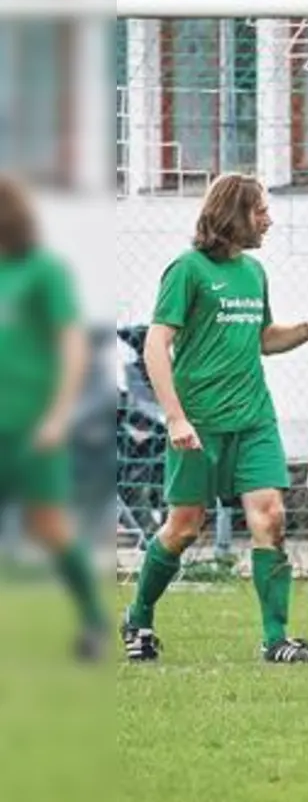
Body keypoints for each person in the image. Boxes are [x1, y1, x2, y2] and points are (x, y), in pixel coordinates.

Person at [124, 174, 308, 663]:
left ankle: (276, 639)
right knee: (183, 527)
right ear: (233, 214)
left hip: (254, 420)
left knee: (271, 517)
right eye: (260, 209)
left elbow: (263, 338)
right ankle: (137, 617)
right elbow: (157, 345)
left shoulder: (254, 272)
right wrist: (176, 418)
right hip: (199, 425)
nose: (269, 218)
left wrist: (306, 328)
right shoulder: (187, 269)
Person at [0, 175, 108, 660]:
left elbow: (71, 342)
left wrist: (59, 415)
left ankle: (93, 621)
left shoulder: (41, 272)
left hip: (30, 426)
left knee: (48, 525)